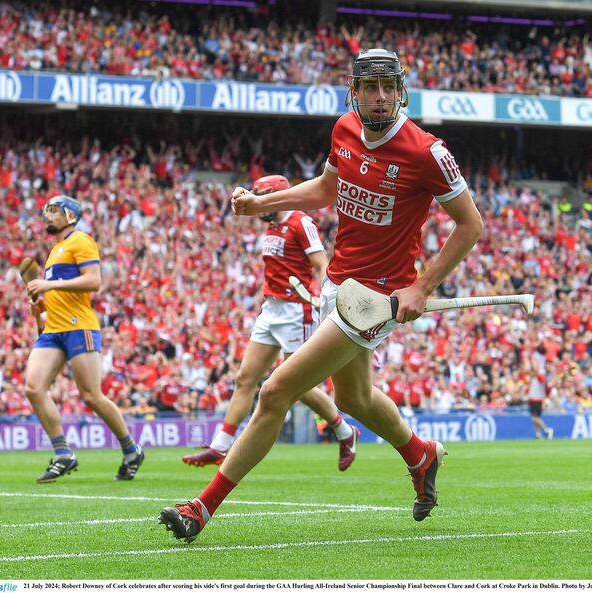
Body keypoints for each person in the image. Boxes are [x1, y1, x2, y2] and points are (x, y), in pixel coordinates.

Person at [159, 48, 483, 543]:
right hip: (338, 282)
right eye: (369, 88)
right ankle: (420, 454)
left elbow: (470, 224)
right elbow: (325, 191)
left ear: (402, 92)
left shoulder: (426, 152)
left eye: (388, 88)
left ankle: (202, 507)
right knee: (352, 397)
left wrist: (421, 286)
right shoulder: (344, 130)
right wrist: (262, 204)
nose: (379, 98)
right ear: (353, 92)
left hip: (373, 299)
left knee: (274, 391)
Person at [181, 174, 360, 471]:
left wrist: (327, 301)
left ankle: (343, 430)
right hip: (271, 308)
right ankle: (220, 446)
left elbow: (321, 265)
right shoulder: (273, 226)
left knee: (297, 385)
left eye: (263, 196)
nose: (259, 203)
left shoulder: (301, 222)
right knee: (245, 377)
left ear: (277, 195)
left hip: (295, 311)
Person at [24, 195, 144, 483]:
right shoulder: (55, 251)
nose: (47, 216)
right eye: (46, 212)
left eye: (53, 211)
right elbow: (58, 295)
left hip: (80, 327)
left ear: (69, 214)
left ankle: (131, 450)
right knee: (33, 388)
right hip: (53, 329)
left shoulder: (81, 240)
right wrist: (39, 309)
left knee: (91, 395)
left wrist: (49, 284)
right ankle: (64, 454)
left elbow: (94, 281)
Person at [527, 347, 554, 439]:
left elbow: (542, 380)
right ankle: (537, 433)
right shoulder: (539, 372)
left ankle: (546, 429)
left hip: (537, 397)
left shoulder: (541, 372)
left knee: (534, 417)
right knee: (535, 416)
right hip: (534, 396)